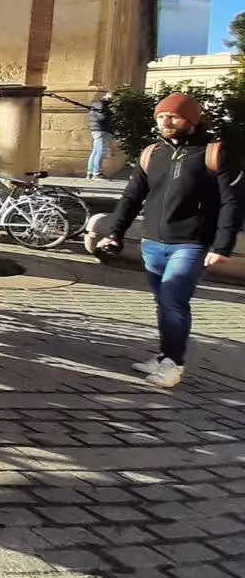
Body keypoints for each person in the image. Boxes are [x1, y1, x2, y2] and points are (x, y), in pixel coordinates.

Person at [99, 93, 240, 389]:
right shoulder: (152, 153)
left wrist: (221, 247)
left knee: (174, 300)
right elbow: (132, 196)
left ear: (191, 119)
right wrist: (114, 233)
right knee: (163, 303)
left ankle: (174, 364)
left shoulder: (214, 153)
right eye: (161, 117)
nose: (166, 121)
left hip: (190, 243)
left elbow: (232, 202)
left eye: (173, 116)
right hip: (153, 242)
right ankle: (164, 356)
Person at [86, 86, 112, 178]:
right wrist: (112, 114)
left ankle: (90, 172)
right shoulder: (101, 104)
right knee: (100, 151)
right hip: (101, 129)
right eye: (111, 95)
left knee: (95, 151)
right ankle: (96, 172)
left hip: (97, 129)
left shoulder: (97, 104)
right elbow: (102, 116)